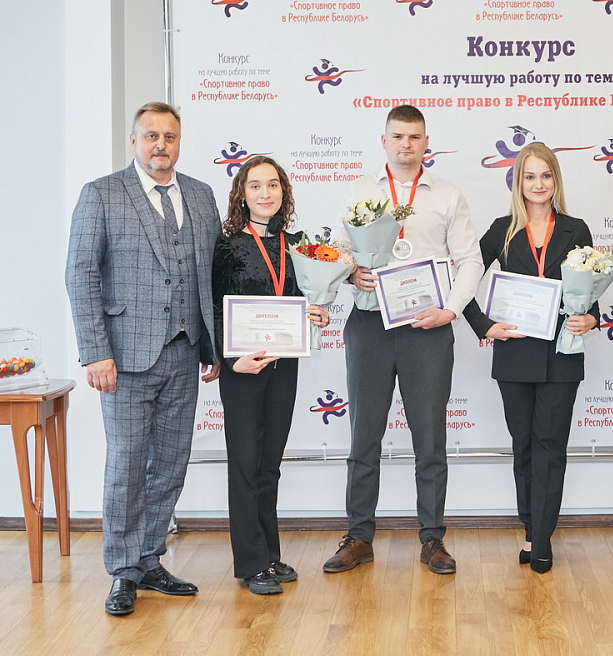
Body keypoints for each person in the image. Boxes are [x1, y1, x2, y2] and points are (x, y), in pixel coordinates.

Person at [65, 102, 221, 616]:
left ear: (179, 142)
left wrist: (214, 344)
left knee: (170, 464)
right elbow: (80, 275)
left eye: (169, 136)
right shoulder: (101, 194)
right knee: (127, 465)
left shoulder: (200, 194)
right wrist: (95, 353)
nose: (160, 144)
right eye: (151, 135)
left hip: (185, 352)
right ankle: (123, 570)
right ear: (133, 140)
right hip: (124, 358)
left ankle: (149, 558)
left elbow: (213, 274)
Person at [322, 105, 484, 575]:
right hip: (370, 325)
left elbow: (470, 260)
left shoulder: (448, 195)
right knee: (363, 436)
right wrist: (351, 271)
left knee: (430, 437)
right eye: (398, 136)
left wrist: (450, 310)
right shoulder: (359, 190)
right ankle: (358, 536)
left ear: (425, 142)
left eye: (414, 137)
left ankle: (433, 538)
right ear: (384, 140)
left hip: (426, 328)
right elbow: (337, 251)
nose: (406, 144)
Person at [463, 144, 598, 574]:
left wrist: (590, 318)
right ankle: (530, 528)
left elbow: (589, 293)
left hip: (561, 354)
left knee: (550, 447)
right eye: (530, 176)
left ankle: (542, 540)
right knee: (523, 446)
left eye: (546, 176)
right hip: (515, 354)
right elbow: (463, 280)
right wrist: (484, 325)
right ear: (518, 182)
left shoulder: (576, 229)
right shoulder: (501, 230)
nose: (538, 184)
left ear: (556, 180)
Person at [212, 156, 330, 594]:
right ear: (242, 194)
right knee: (245, 465)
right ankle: (250, 564)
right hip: (243, 368)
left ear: (284, 191)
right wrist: (230, 360)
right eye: (256, 185)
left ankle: (269, 554)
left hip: (284, 366)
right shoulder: (227, 244)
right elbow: (212, 307)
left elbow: (302, 298)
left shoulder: (297, 245)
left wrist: (317, 313)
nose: (266, 193)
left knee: (269, 465)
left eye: (273, 185)